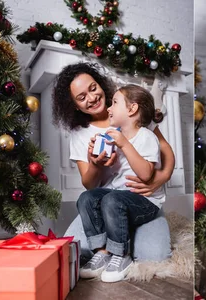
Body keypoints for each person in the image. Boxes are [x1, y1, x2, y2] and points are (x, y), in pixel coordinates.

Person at [52, 62, 174, 262]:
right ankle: (113, 241)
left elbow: (165, 149)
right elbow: (89, 186)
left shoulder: (132, 114)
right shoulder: (79, 134)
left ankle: (125, 238)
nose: (92, 98)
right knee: (77, 250)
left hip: (140, 199)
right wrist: (96, 164)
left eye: (93, 88)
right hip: (107, 201)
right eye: (82, 98)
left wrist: (161, 177)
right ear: (74, 105)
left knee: (154, 256)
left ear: (100, 84)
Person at [76, 85, 165, 282]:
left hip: (145, 201)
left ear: (132, 109)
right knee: (87, 198)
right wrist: (96, 154)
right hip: (117, 195)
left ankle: (121, 255)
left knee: (112, 200)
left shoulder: (147, 136)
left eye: (115, 103)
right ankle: (103, 251)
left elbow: (145, 174)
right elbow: (101, 172)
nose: (109, 108)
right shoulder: (112, 135)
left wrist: (124, 143)